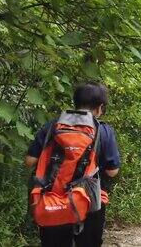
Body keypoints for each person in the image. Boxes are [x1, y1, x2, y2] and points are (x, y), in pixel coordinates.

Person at [24, 82, 120, 247]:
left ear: (75, 103)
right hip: (89, 203)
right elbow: (112, 172)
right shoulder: (104, 131)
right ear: (100, 107)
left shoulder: (52, 126)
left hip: (50, 201)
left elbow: (29, 161)